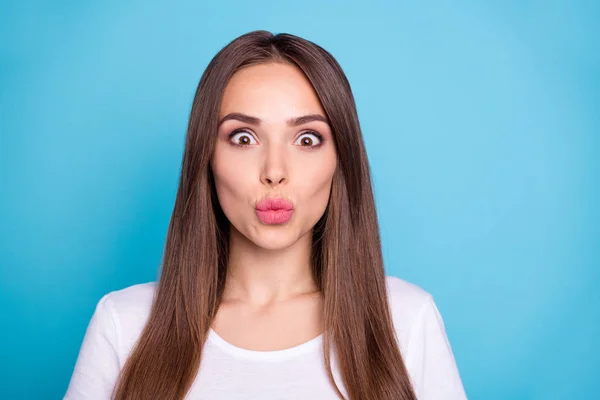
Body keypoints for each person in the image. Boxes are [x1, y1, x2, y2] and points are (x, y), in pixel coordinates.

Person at [64, 30, 467, 400]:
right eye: (244, 138)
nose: (275, 170)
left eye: (307, 139)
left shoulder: (407, 320)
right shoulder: (124, 324)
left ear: (339, 160)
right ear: (207, 157)